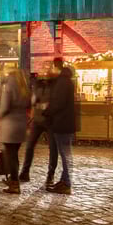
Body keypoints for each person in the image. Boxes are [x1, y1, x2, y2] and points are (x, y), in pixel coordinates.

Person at [43, 57, 76, 195]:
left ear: (56, 67)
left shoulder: (62, 82)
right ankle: (64, 181)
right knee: (65, 154)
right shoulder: (65, 81)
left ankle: (66, 183)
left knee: (65, 154)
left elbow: (58, 103)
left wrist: (47, 111)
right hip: (64, 122)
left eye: (51, 67)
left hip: (62, 123)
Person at [19, 69, 57, 186]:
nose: (45, 72)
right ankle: (25, 172)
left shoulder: (55, 85)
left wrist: (44, 105)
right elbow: (33, 100)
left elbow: (55, 103)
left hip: (51, 121)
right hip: (37, 120)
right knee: (30, 146)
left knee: (53, 148)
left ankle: (50, 175)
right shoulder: (37, 85)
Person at [0, 67, 30, 194]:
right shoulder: (24, 87)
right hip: (21, 125)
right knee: (14, 154)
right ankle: (13, 179)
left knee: (10, 156)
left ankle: (14, 183)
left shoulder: (8, 86)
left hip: (10, 125)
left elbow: (5, 106)